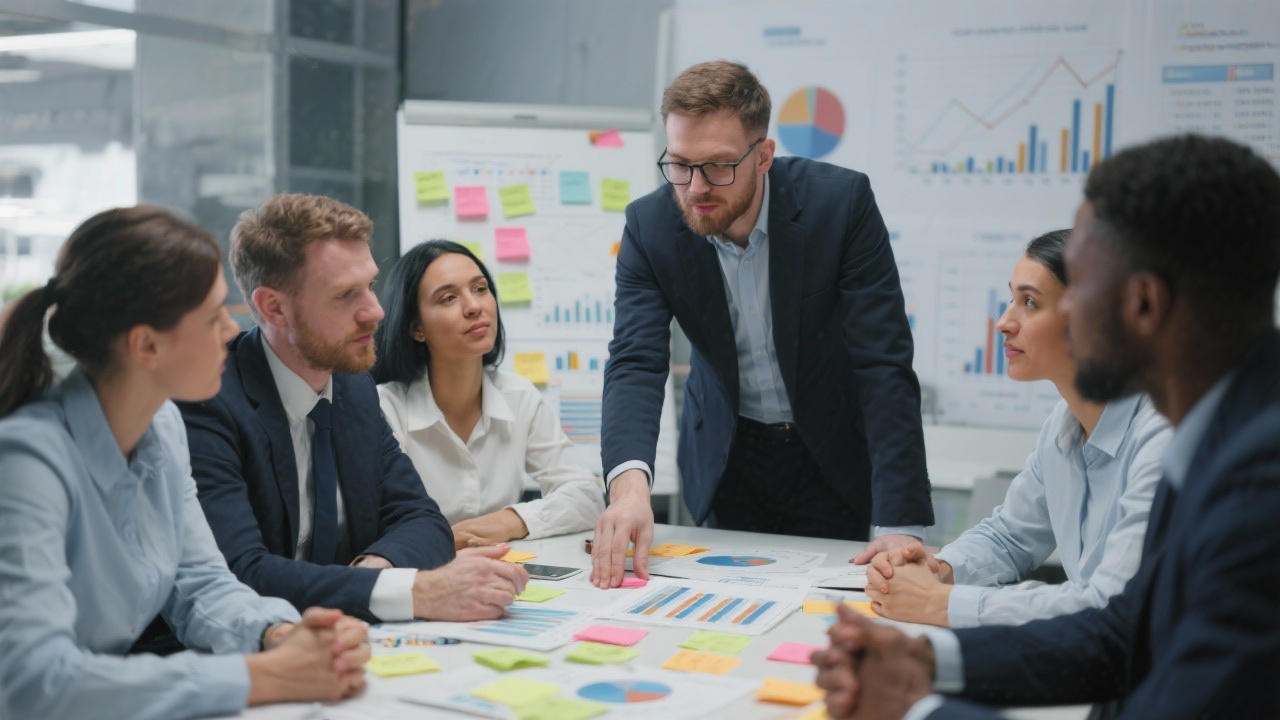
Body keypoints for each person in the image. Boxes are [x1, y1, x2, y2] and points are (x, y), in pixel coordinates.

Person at [813, 134, 1280, 719]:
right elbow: (1119, 635)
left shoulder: (1259, 488)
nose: (1008, 322)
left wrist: (916, 707)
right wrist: (928, 665)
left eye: (1079, 284)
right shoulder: (1216, 432)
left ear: (1142, 304)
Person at [0, 206, 370, 720]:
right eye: (214, 315)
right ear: (147, 345)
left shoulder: (164, 428)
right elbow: (34, 682)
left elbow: (199, 584)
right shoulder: (26, 461)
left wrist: (278, 635)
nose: (229, 330)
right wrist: (259, 677)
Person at [593, 60, 933, 587]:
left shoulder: (839, 207)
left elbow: (882, 363)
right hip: (730, 457)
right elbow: (636, 361)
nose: (696, 187)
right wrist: (630, 488)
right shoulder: (651, 226)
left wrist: (902, 524)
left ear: (764, 156)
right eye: (680, 165)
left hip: (829, 454)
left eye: (718, 166)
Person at [180, 194, 527, 625]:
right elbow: (239, 572)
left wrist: (374, 575)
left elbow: (421, 518)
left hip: (344, 636)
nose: (376, 311)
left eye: (370, 285)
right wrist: (410, 591)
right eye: (346, 295)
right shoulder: (207, 402)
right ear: (274, 307)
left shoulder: (352, 387)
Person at [864, 230, 1170, 627]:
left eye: (1030, 302)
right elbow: (1010, 536)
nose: (1005, 322)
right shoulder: (1063, 426)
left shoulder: (1162, 437)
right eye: (1012, 299)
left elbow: (1112, 603)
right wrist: (939, 570)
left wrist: (940, 603)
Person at [372, 240, 605, 548]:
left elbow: (586, 496)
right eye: (448, 298)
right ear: (416, 328)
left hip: (499, 573)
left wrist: (508, 522)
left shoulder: (518, 396)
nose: (474, 307)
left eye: (480, 289)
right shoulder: (385, 408)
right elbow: (386, 526)